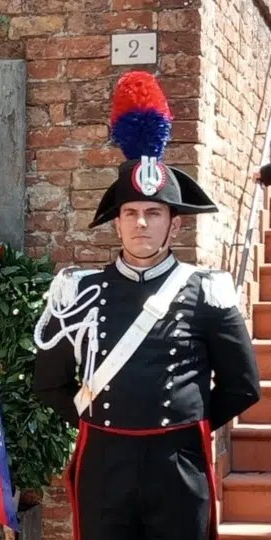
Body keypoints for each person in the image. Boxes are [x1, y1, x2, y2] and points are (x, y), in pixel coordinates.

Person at [32, 71, 261, 540]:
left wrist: (183, 426)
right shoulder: (78, 291)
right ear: (117, 224)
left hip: (177, 464)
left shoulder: (206, 290)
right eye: (131, 213)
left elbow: (242, 387)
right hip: (104, 462)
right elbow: (49, 383)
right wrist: (102, 424)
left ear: (174, 225)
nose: (141, 224)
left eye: (153, 213)